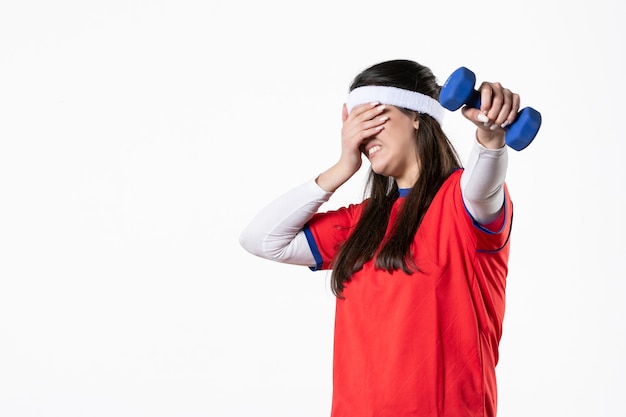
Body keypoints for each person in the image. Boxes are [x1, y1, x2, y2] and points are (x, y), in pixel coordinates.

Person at [239, 59, 521, 417]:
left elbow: (484, 182)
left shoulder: (461, 201)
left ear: (417, 115)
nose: (364, 134)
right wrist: (343, 166)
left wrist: (491, 139)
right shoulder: (362, 222)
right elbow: (260, 239)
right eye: (355, 125)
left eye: (375, 117)